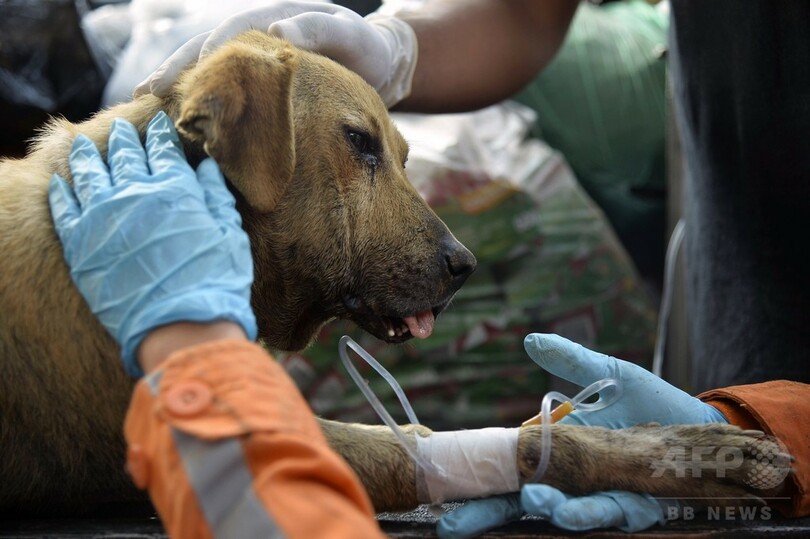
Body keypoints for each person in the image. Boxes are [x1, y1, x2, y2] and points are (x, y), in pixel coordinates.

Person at [63, 0, 808, 535]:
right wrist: (399, 44)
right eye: (363, 150)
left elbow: (251, 489)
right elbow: (527, 14)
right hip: (751, 293)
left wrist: (186, 351)